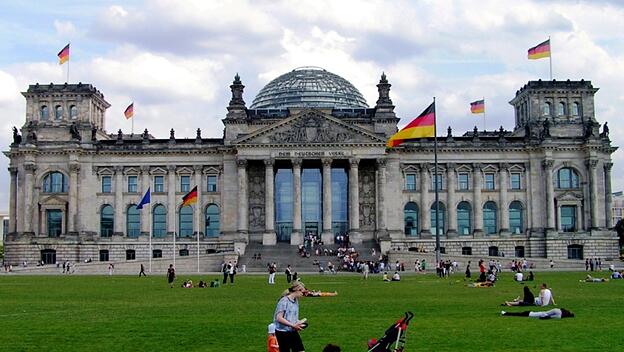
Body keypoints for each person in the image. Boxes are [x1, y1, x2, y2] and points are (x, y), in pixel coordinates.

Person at [273, 281, 307, 352]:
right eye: (303, 292)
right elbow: (279, 318)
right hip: (282, 332)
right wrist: (293, 325)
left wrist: (298, 323)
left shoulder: (295, 300)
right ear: (298, 290)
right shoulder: (284, 301)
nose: (303, 295)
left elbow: (291, 316)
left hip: (292, 330)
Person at [501, 308, 574, 319]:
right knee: (519, 314)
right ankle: (505, 313)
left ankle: (505, 313)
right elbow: (549, 317)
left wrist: (542, 317)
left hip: (536, 314)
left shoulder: (559, 311)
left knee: (519, 314)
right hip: (536, 314)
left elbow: (547, 316)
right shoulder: (559, 315)